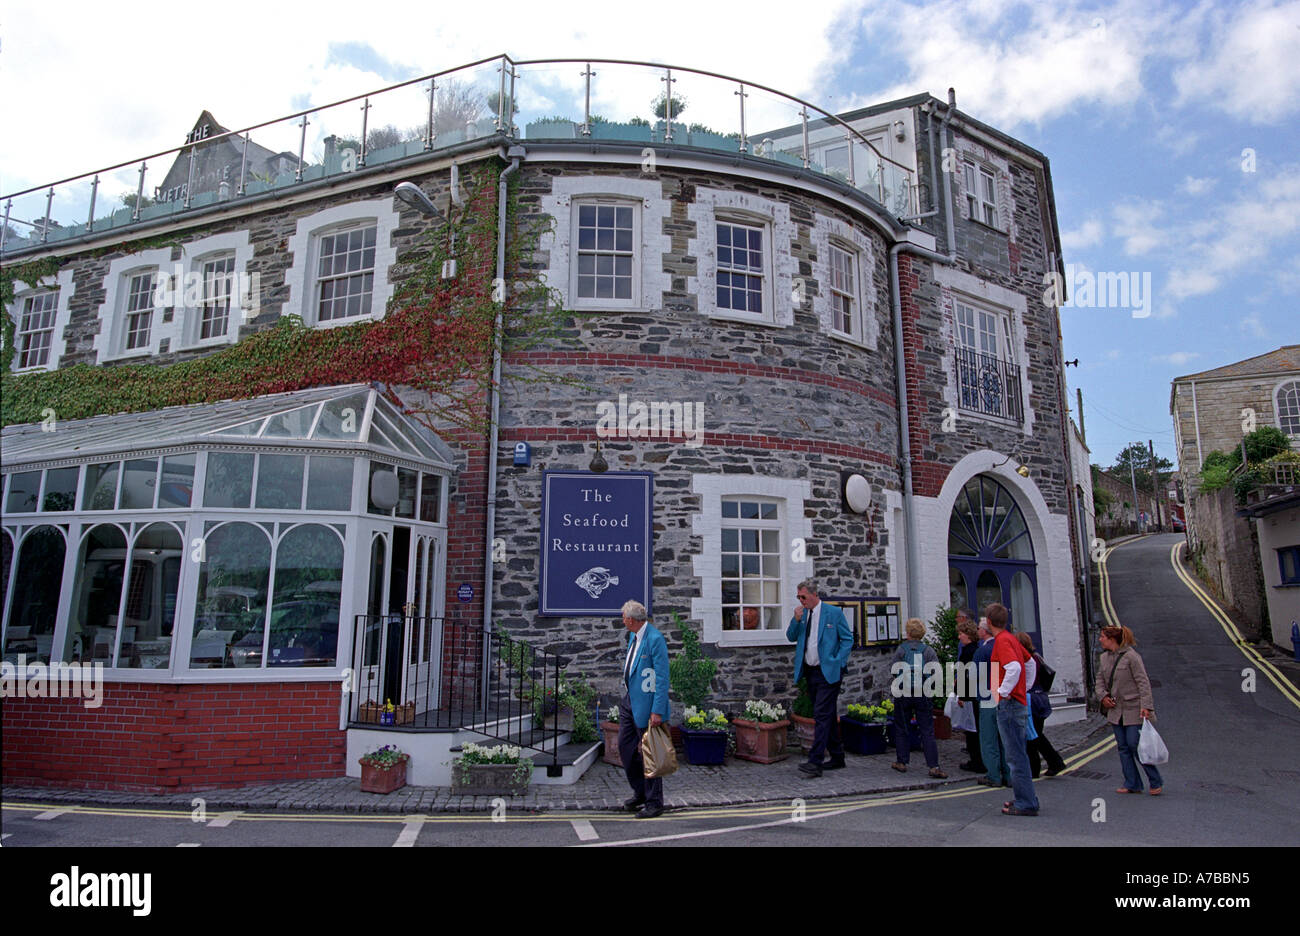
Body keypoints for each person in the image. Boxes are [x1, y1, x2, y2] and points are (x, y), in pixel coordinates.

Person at [786, 579, 853, 778]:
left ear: (814, 594)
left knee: (821, 715)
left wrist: (837, 661)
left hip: (829, 671)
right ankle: (838, 756)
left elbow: (847, 639)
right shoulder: (802, 614)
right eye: (798, 597)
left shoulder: (833, 613)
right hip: (811, 671)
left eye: (803, 597)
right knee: (828, 715)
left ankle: (815, 761)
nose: (801, 600)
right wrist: (795, 619)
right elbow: (790, 636)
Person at [617, 599, 670, 818]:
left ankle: (654, 802)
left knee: (651, 755)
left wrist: (657, 710)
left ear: (631, 620)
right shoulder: (633, 636)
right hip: (630, 701)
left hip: (648, 706)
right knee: (626, 748)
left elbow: (662, 677)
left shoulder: (655, 639)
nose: (622, 621)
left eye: (623, 618)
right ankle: (640, 792)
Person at [1095, 624, 1163, 795]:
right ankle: (1132, 783)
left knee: (1135, 744)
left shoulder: (1132, 657)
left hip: (1134, 709)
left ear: (1111, 639)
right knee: (1123, 747)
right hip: (1115, 710)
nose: (1100, 639)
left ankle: (1155, 781)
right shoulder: (1103, 658)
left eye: (1102, 636)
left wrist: (1146, 706)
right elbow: (1099, 681)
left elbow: (1143, 682)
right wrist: (1103, 697)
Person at [987, 602, 1039, 816]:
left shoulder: (1001, 641)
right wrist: (1024, 687)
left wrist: (1003, 692)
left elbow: (1015, 667)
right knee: (1018, 755)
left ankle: (1026, 803)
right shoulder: (1011, 639)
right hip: (1015, 702)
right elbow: (1031, 664)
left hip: (1008, 706)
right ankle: (1025, 798)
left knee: (1015, 757)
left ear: (989, 621)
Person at [890, 618, 948, 778]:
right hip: (923, 691)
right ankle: (933, 766)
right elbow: (936, 671)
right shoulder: (928, 650)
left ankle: (902, 761)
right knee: (927, 730)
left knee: (902, 727)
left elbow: (894, 669)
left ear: (908, 633)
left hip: (904, 691)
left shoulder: (901, 649)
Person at [1017, 631, 1066, 778]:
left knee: (1031, 737)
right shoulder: (1037, 657)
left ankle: (1035, 769)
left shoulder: (1027, 661)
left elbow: (1025, 682)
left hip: (1032, 700)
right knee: (1037, 735)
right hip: (1041, 699)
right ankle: (1055, 762)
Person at [972, 618, 1006, 788]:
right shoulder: (1001, 646)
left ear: (984, 631)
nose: (977, 630)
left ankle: (993, 775)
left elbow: (974, 674)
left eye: (978, 628)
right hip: (1002, 695)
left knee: (988, 739)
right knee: (1003, 738)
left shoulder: (982, 651)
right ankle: (1008, 773)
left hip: (987, 697)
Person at [954, 613, 985, 772]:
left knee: (972, 730)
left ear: (968, 635)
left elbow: (966, 676)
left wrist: (961, 695)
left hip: (970, 695)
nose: (959, 637)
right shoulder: (976, 649)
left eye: (961, 634)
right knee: (975, 729)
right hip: (976, 693)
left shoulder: (969, 652)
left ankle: (977, 761)